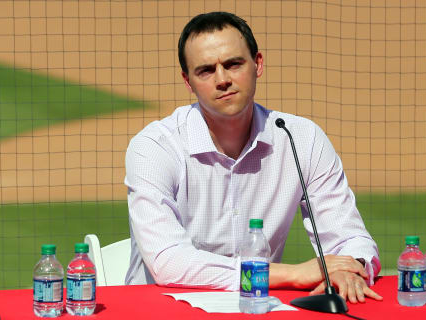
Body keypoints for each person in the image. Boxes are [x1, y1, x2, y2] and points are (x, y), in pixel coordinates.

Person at [124, 11, 382, 303]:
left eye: (233, 64)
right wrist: (292, 274)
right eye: (206, 70)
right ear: (188, 81)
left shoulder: (301, 138)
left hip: (258, 305)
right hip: (163, 307)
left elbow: (349, 236)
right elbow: (168, 261)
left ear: (257, 64)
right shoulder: (154, 147)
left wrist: (351, 268)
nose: (222, 79)